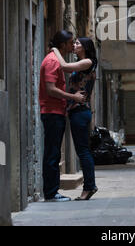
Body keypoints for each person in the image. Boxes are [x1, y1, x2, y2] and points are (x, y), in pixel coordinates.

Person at [39, 30, 86, 202]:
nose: (72, 46)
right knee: (52, 154)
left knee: (53, 153)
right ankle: (51, 193)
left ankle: (52, 191)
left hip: (55, 112)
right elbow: (51, 89)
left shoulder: (55, 58)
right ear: (62, 44)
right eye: (70, 43)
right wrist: (73, 97)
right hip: (52, 113)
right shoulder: (52, 61)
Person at [52, 37, 98, 201]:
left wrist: (55, 49)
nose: (74, 45)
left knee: (83, 151)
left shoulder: (87, 62)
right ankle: (89, 186)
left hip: (79, 111)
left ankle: (89, 187)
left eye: (78, 43)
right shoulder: (83, 62)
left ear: (85, 47)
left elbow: (64, 66)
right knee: (83, 150)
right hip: (77, 111)